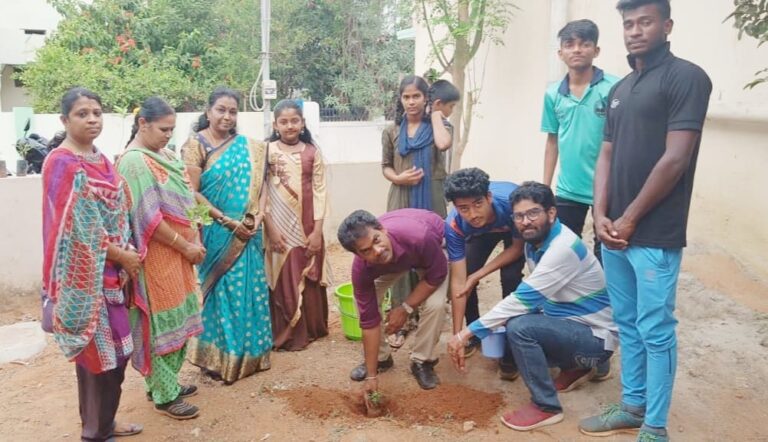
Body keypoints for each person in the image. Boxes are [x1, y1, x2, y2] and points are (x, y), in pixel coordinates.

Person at [580, 1, 712, 440]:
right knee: (629, 322)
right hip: (615, 230)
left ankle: (655, 428)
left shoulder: (686, 77)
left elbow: (676, 158)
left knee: (656, 329)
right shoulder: (621, 88)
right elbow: (606, 153)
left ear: (667, 25)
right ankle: (632, 406)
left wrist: (631, 218)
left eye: (645, 21)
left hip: (653, 232)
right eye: (628, 23)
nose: (635, 31)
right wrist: (600, 214)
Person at [447, 182, 618, 432]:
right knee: (511, 320)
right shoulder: (535, 242)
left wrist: (465, 334)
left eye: (533, 213)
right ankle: (580, 366)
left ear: (551, 213)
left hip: (595, 337)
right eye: (518, 216)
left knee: (519, 327)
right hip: (582, 326)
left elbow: (522, 300)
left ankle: (546, 406)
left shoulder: (562, 248)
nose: (525, 221)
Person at [42, 87, 143, 440]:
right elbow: (80, 228)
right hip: (84, 279)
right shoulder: (61, 162)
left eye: (96, 113)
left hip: (116, 275)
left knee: (119, 353)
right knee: (97, 361)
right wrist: (122, 255)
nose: (92, 119)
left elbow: (117, 211)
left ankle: (103, 422)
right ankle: (95, 432)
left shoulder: (100, 157)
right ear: (65, 119)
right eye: (82, 114)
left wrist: (126, 252)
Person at [117, 96, 205, 419]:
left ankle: (165, 384)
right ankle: (165, 396)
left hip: (180, 254)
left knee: (179, 318)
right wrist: (185, 245)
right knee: (161, 323)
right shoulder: (134, 161)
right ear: (143, 124)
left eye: (172, 129)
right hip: (156, 257)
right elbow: (147, 218)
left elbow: (183, 196)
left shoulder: (162, 154)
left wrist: (194, 237)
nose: (169, 135)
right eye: (163, 129)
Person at [181, 87, 273, 383]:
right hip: (217, 232)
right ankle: (217, 358)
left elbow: (261, 186)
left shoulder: (249, 147)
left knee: (249, 290)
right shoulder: (195, 145)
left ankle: (250, 356)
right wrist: (225, 220)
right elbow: (191, 192)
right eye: (221, 109)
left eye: (233, 111)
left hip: (248, 230)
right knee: (222, 294)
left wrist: (258, 215)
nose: (227, 116)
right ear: (208, 112)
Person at [338, 209, 449, 391]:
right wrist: (372, 377)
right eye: (366, 250)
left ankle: (421, 361)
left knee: (436, 305)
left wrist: (405, 308)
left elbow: (436, 276)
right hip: (392, 263)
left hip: (428, 254)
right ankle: (381, 359)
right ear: (358, 255)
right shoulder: (362, 269)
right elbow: (369, 322)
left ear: (383, 230)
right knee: (363, 302)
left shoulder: (419, 235)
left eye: (376, 239)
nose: (378, 250)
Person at [381, 75, 455, 348]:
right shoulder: (391, 131)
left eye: (417, 96)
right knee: (398, 252)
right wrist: (398, 178)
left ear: (426, 99)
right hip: (401, 197)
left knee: (431, 249)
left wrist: (435, 115)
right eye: (406, 97)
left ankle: (426, 309)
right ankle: (400, 315)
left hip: (432, 199)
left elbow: (444, 144)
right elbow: (386, 165)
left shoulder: (440, 126)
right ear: (400, 100)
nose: (411, 102)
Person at [541, 19, 619, 262]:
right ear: (560, 52)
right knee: (565, 250)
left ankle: (605, 299)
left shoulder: (615, 88)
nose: (577, 49)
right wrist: (545, 188)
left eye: (585, 44)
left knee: (605, 251)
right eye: (570, 44)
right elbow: (552, 141)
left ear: (596, 51)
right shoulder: (553, 94)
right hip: (568, 189)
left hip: (607, 189)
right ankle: (570, 300)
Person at [264, 99, 330, 351]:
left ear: (302, 123)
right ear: (275, 124)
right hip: (277, 227)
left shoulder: (312, 152)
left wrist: (317, 231)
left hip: (307, 226)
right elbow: (261, 194)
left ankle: (310, 330)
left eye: (294, 120)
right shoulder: (266, 152)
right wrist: (270, 228)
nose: (289, 126)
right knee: (281, 276)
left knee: (308, 273)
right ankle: (285, 334)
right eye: (284, 121)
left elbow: (321, 192)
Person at [443, 168, 525, 369]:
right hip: (481, 233)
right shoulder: (454, 223)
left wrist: (478, 275)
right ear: (455, 207)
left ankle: (511, 342)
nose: (472, 214)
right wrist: (457, 335)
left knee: (511, 277)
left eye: (477, 204)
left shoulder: (512, 203)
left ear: (488, 197)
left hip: (510, 228)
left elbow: (516, 249)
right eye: (463, 208)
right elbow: (458, 282)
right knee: (467, 273)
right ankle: (472, 333)